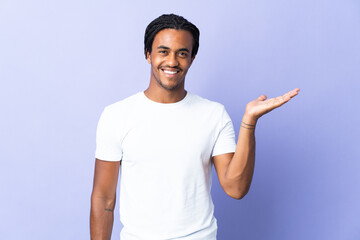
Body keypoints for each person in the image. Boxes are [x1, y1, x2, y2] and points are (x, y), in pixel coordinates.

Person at [90, 13, 299, 240]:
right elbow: (103, 198)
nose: (172, 61)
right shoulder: (116, 115)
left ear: (192, 58)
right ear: (148, 55)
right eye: (163, 51)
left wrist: (249, 122)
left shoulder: (213, 114)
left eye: (182, 53)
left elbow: (236, 188)